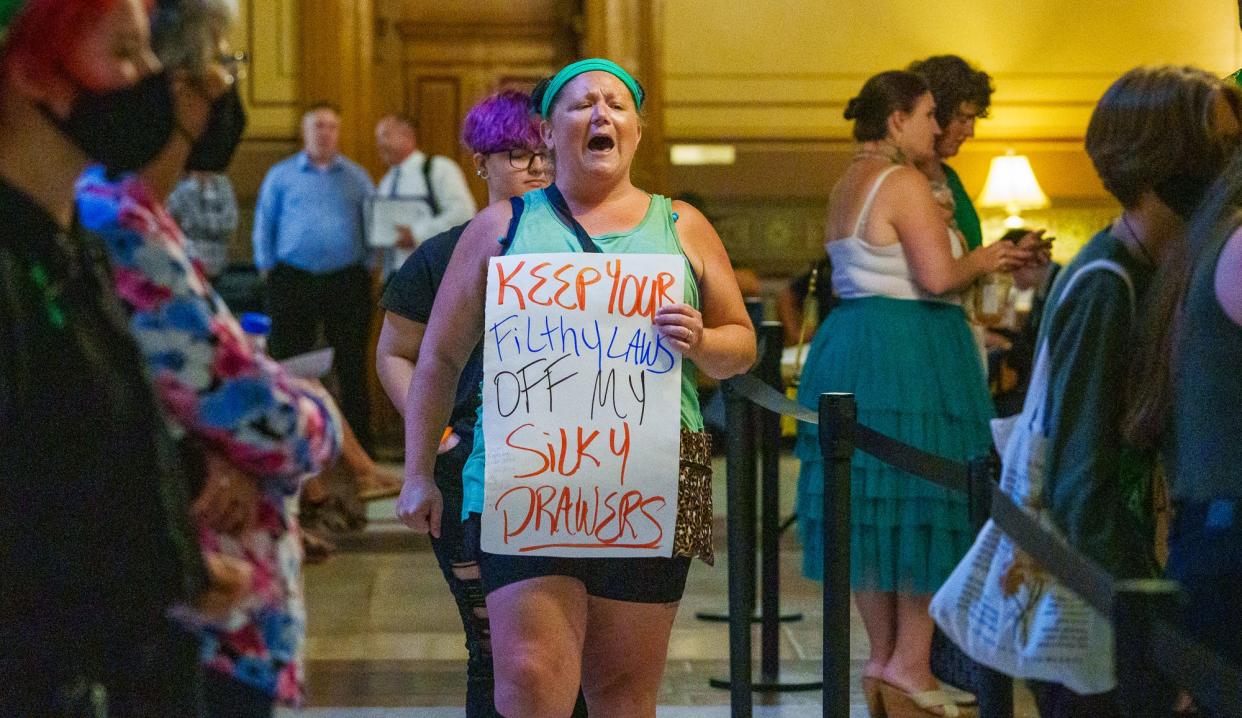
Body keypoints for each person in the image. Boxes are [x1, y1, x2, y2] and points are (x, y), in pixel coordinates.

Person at [396, 58, 755, 716]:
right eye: (581, 103)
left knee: (624, 692)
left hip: (658, 477)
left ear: (638, 130)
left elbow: (741, 346)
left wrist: (704, 341)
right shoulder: (497, 228)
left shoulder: (683, 226)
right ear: (548, 130)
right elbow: (438, 358)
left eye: (616, 104)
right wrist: (418, 470)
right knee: (529, 678)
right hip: (524, 477)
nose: (600, 114)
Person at [74, 0, 348, 713]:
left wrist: (206, 441)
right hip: (194, 621)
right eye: (221, 66)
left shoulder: (134, 216)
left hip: (214, 610)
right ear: (180, 89)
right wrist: (311, 411)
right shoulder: (119, 225)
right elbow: (277, 424)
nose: (227, 88)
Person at [0, 0, 247, 713]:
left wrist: (174, 493)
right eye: (127, 51)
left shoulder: (68, 237)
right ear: (34, 73)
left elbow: (71, 433)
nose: (151, 76)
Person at [793, 70, 1032, 718]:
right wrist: (992, 256)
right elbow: (939, 276)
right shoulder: (901, 181)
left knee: (873, 507)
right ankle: (912, 662)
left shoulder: (849, 181)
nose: (937, 125)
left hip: (853, 342)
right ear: (897, 118)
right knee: (930, 499)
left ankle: (883, 658)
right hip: (912, 351)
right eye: (929, 114)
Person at [1019, 65, 1242, 717]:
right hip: (1100, 613)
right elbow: (1082, 486)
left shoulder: (1145, 271)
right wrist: (1155, 627)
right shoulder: (1107, 286)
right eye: (1216, 153)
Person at [377, 88, 590, 718]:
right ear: (481, 163)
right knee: (493, 645)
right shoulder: (445, 252)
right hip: (470, 458)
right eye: (514, 153)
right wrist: (434, 436)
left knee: (570, 642)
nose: (533, 165)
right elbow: (396, 352)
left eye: (541, 152)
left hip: (574, 458)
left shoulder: (588, 245)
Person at [252, 101, 376, 451]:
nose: (324, 132)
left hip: (346, 280)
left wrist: (369, 265)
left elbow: (374, 223)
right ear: (305, 132)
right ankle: (293, 443)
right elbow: (265, 222)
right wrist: (266, 267)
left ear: (338, 132)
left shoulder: (357, 177)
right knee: (289, 364)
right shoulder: (281, 175)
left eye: (330, 126)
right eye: (317, 125)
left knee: (352, 365)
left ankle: (359, 448)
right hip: (293, 279)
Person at [374, 113, 477, 277]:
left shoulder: (438, 169)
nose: (379, 144)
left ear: (407, 135)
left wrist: (416, 234)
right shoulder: (386, 182)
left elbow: (463, 213)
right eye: (378, 138)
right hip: (395, 276)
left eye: (385, 135)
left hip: (432, 273)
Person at [167, 169, 239, 279]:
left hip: (218, 265)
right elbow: (168, 222)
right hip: (186, 268)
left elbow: (230, 223)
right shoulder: (179, 185)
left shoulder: (222, 183)